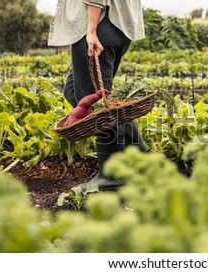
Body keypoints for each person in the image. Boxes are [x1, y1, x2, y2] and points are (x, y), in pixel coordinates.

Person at [48, 0, 151, 191]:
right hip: (116, 25)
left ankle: (112, 176)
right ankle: (138, 150)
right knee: (73, 91)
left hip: (99, 23)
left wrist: (91, 30)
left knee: (98, 107)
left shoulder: (94, 27)